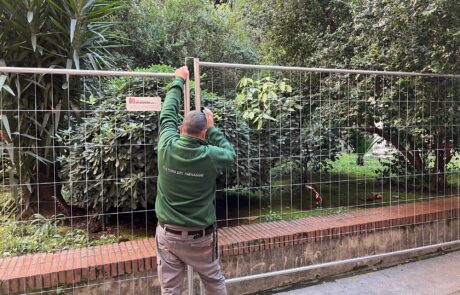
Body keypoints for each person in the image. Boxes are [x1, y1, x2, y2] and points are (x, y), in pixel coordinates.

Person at [155, 66, 235, 295]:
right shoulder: (210, 154)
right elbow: (230, 155)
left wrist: (179, 81)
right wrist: (213, 129)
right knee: (214, 282)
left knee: (170, 290)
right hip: (201, 237)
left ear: (180, 129)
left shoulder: (166, 146)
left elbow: (167, 113)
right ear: (202, 134)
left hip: (168, 235)